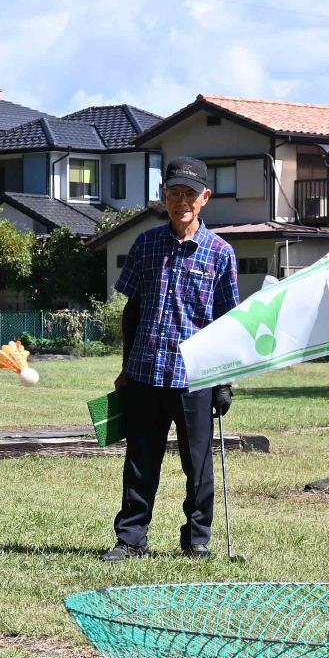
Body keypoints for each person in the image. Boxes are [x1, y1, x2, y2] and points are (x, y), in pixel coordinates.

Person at [103, 157, 240, 563]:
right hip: (146, 371)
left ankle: (197, 539)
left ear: (205, 199)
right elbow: (132, 311)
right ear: (164, 197)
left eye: (190, 194)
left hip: (194, 378)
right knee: (140, 461)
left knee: (197, 464)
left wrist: (224, 382)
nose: (182, 201)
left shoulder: (220, 253)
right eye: (174, 192)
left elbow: (227, 324)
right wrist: (126, 368)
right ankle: (131, 539)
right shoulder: (145, 244)